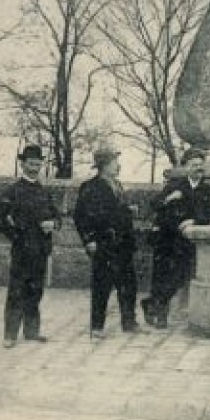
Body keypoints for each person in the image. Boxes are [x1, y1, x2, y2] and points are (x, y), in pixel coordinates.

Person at [0, 144, 61, 348]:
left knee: (35, 291)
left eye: (38, 164)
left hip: (41, 249)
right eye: (31, 163)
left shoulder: (44, 191)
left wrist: (53, 225)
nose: (35, 167)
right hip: (22, 250)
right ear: (22, 164)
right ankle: (10, 335)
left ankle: (31, 331)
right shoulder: (13, 191)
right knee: (16, 292)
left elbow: (58, 217)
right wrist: (16, 235)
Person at [141, 148, 210, 329]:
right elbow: (154, 204)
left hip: (186, 240)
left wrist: (194, 221)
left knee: (180, 276)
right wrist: (169, 198)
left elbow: (209, 213)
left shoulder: (209, 190)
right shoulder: (175, 186)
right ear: (186, 167)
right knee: (161, 276)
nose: (199, 168)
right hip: (166, 238)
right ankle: (160, 315)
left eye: (201, 165)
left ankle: (152, 303)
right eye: (194, 165)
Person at [73, 144, 139, 339]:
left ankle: (129, 322)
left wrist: (128, 211)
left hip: (123, 244)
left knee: (128, 284)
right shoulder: (90, 187)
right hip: (104, 243)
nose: (118, 165)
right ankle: (97, 326)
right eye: (115, 162)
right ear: (103, 165)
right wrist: (89, 239)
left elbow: (116, 211)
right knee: (102, 285)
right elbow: (80, 216)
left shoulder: (117, 185)